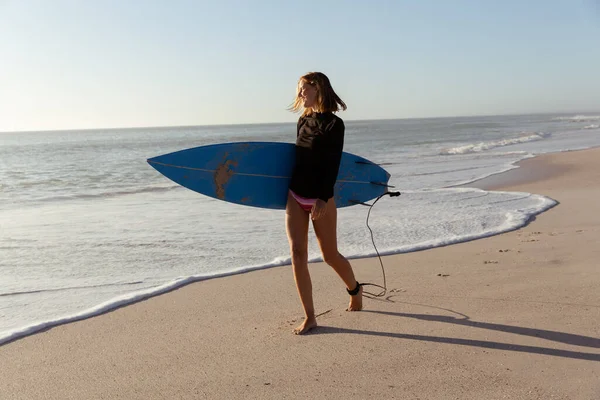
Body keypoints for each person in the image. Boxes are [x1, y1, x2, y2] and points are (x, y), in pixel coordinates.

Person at [286, 72, 363, 335]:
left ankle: (355, 289)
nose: (300, 94)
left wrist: (322, 197)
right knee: (297, 255)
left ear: (317, 89)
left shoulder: (334, 125)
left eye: (303, 89)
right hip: (296, 194)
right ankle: (310, 316)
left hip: (321, 197)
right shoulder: (302, 120)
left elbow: (333, 165)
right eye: (299, 90)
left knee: (330, 255)